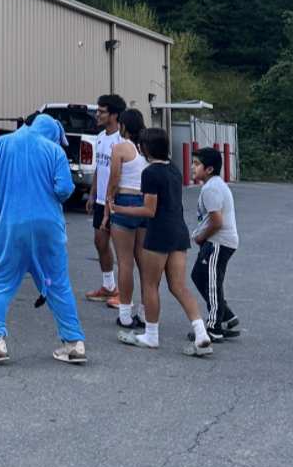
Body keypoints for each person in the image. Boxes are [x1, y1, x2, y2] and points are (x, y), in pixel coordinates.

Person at [0, 115, 86, 365]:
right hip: (49, 227)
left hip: (10, 226)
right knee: (58, 284)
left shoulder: (2, 143)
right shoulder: (54, 151)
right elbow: (65, 189)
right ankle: (74, 343)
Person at [116, 127, 213, 358]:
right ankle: (201, 332)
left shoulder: (150, 173)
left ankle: (151, 335)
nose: (140, 148)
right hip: (178, 231)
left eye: (142, 145)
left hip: (158, 232)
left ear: (148, 147)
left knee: (150, 285)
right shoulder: (174, 170)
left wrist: (121, 209)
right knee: (178, 286)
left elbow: (150, 210)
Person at [103, 108, 148, 332]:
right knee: (143, 262)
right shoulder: (149, 148)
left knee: (125, 262)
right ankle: (145, 312)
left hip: (124, 200)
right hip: (146, 203)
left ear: (123, 126)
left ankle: (125, 315)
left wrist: (107, 210)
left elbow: (113, 182)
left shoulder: (120, 148)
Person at [190, 147, 240, 341]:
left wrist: (201, 237)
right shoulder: (214, 184)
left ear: (209, 169)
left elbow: (217, 222)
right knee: (198, 275)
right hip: (216, 242)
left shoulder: (211, 188)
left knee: (212, 283)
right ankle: (226, 315)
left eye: (196, 164)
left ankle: (214, 328)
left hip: (218, 242)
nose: (193, 168)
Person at [85, 95, 126, 305]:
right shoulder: (100, 137)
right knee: (100, 242)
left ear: (114, 115)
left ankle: (124, 295)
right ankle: (109, 287)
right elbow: (99, 169)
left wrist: (113, 199)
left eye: (101, 112)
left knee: (122, 249)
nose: (97, 115)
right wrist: (93, 195)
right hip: (101, 200)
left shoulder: (123, 139)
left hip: (117, 201)